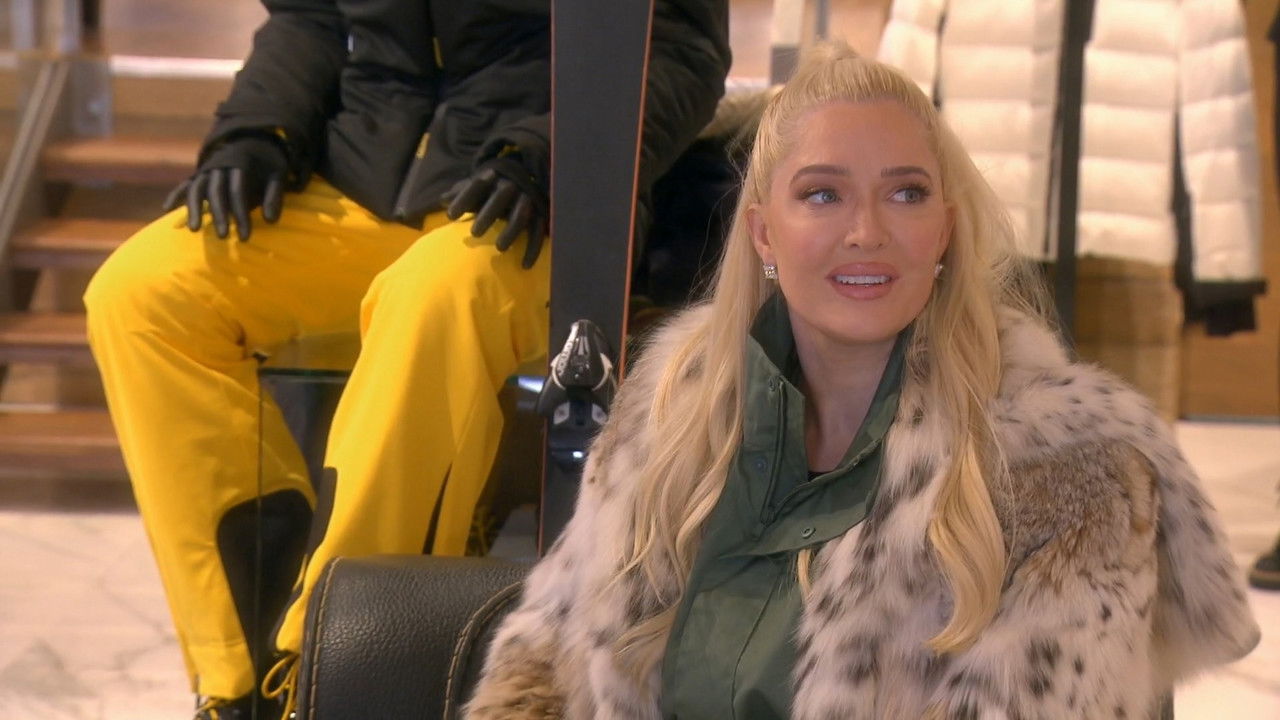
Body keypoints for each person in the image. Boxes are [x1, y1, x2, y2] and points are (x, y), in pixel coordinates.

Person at [465, 42, 1260, 719]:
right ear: (764, 233)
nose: (867, 232)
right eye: (822, 194)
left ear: (945, 229)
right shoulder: (668, 416)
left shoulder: (1065, 472)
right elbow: (543, 654)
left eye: (906, 194)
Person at [82, 1, 730, 717]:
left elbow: (681, 52)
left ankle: (331, 674)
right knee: (142, 294)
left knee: (434, 298)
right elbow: (309, 18)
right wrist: (256, 132)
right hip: (361, 180)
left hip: (536, 201)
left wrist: (550, 156)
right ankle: (240, 685)